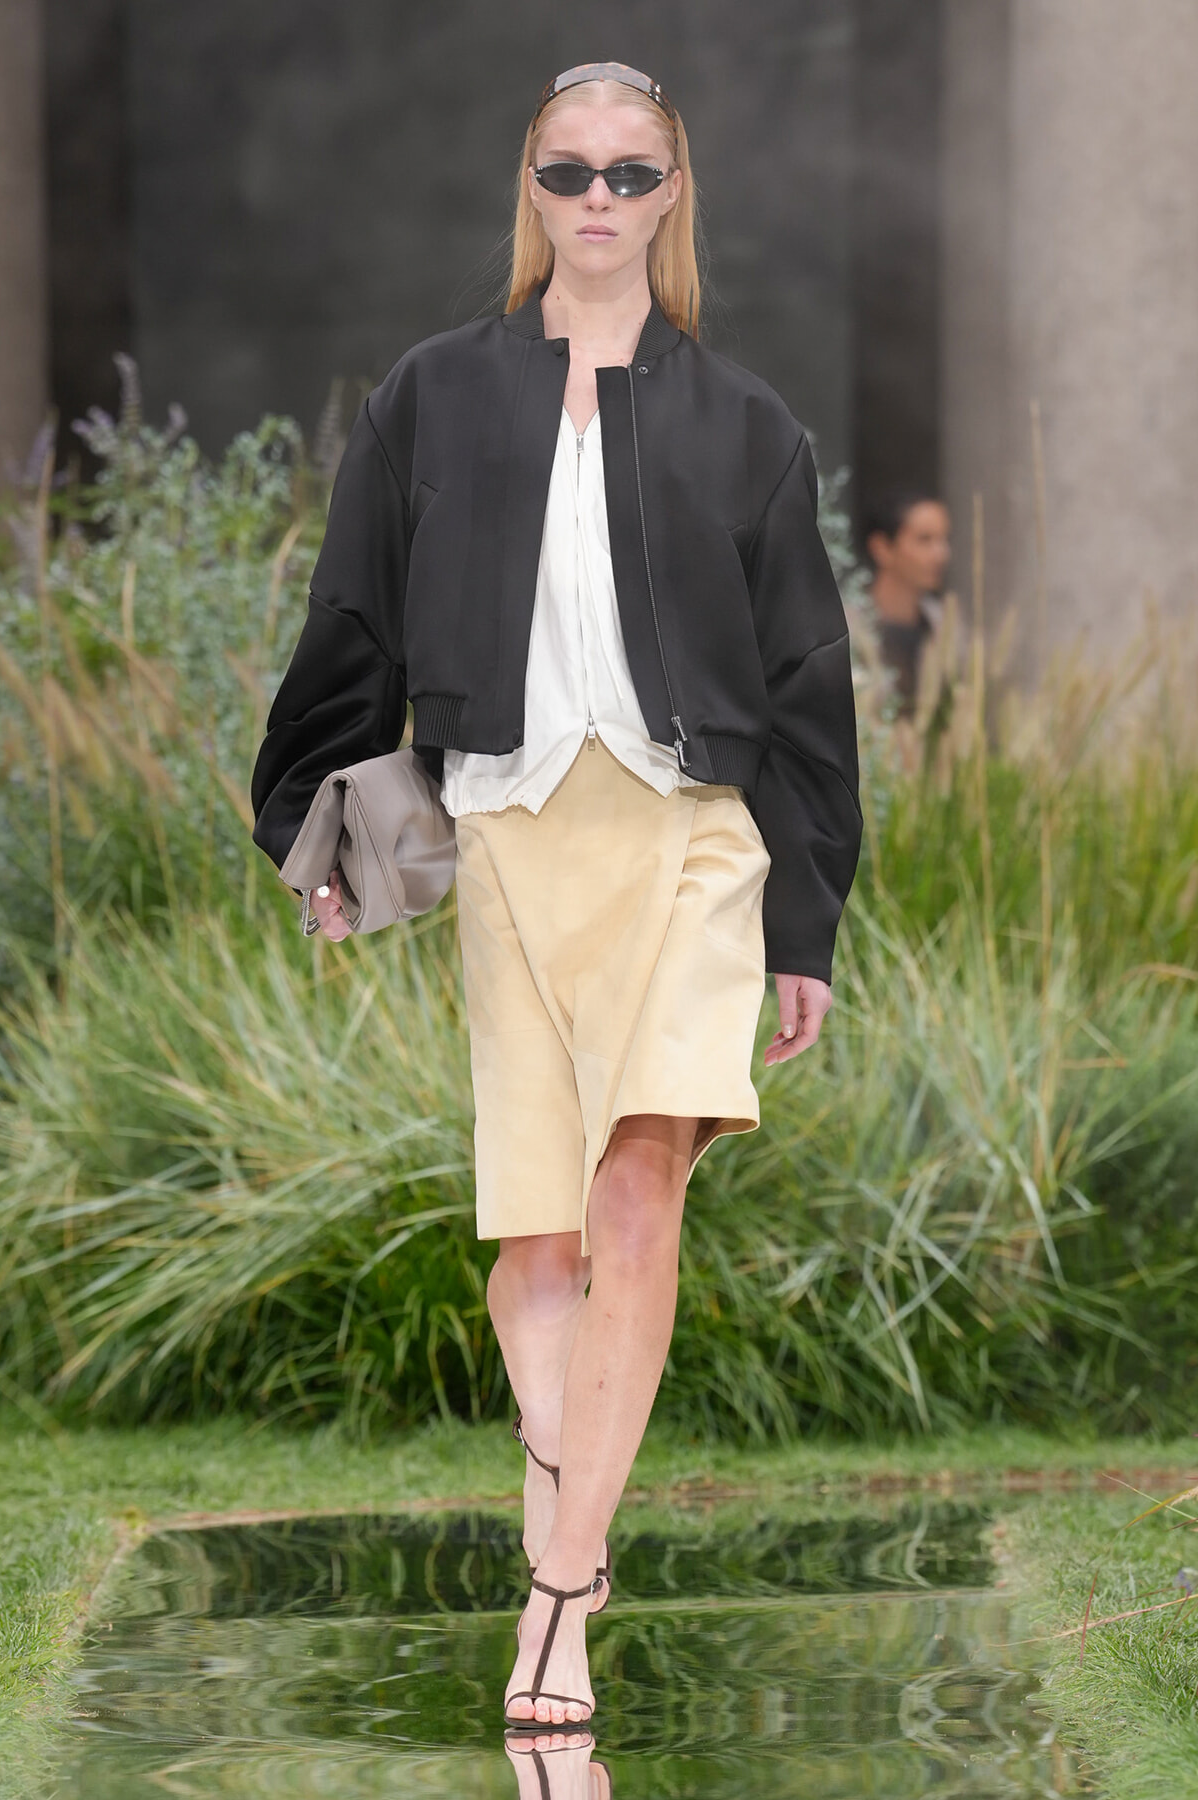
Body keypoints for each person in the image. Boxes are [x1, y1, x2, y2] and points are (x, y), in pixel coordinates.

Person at [250, 61, 861, 1736]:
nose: (599, 200)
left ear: (674, 197)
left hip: (687, 837)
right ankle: (570, 1463)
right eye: (570, 168)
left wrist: (801, 923)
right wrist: (321, 832)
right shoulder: (437, 398)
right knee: (535, 1240)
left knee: (638, 1194)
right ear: (531, 183)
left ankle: (562, 1596)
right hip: (511, 832)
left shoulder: (746, 422)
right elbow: (352, 619)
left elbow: (810, 689)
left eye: (632, 174)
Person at [863, 489, 952, 716]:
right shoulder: (848, 628)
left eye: (944, 539)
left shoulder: (946, 625)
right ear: (881, 548)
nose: (941, 554)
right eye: (925, 540)